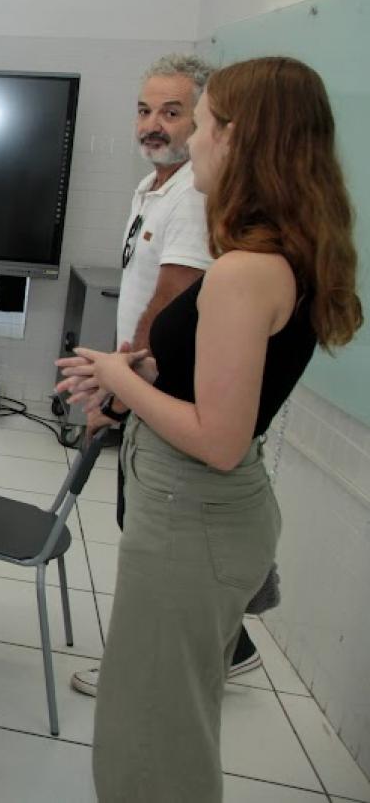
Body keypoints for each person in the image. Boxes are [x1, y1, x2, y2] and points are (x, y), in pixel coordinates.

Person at [57, 57, 361, 802]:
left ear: (239, 139)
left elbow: (220, 438)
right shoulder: (267, 257)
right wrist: (143, 368)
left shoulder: (243, 271)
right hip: (197, 513)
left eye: (204, 122)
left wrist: (125, 378)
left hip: (193, 513)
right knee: (166, 718)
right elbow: (216, 377)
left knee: (151, 738)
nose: (189, 140)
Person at [71, 54, 259, 696]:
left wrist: (117, 393)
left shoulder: (195, 199)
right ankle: (228, 648)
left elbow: (169, 301)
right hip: (141, 379)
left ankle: (164, 663)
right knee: (142, 528)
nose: (154, 125)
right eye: (145, 110)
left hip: (158, 389)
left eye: (175, 114)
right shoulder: (153, 185)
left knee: (154, 540)